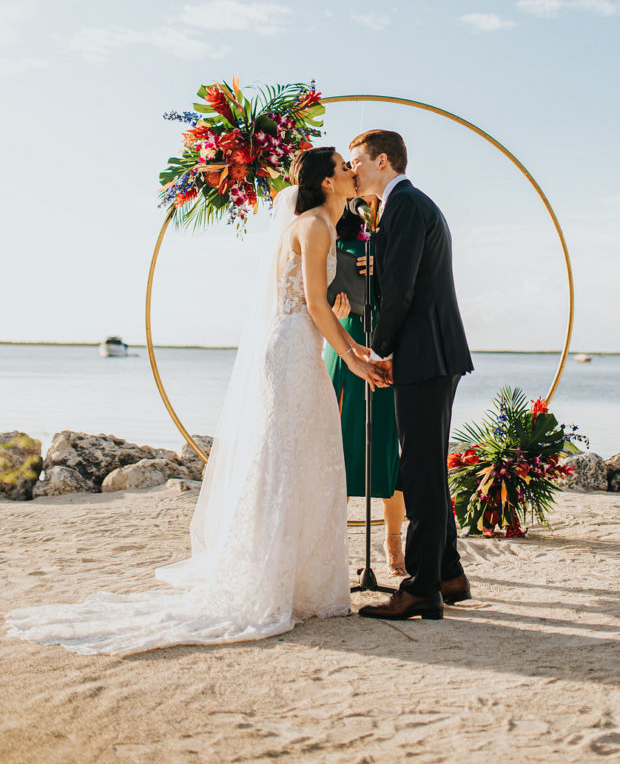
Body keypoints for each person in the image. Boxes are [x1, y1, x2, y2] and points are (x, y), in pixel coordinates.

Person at [5, 147, 387, 655]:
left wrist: (354, 346)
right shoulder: (315, 225)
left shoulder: (313, 222)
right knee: (291, 459)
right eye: (343, 167)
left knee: (297, 457)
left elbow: (313, 304)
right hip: (294, 351)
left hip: (295, 346)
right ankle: (277, 581)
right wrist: (355, 361)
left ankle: (295, 580)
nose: (350, 171)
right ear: (324, 182)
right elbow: (314, 305)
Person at [348, 129, 474, 621]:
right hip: (434, 351)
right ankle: (448, 571)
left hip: (423, 353)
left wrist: (381, 350)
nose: (353, 169)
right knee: (427, 467)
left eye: (357, 160)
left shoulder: (403, 206)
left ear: (382, 161)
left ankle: (421, 588)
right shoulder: (411, 204)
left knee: (420, 472)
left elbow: (399, 292)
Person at [323, 197, 406, 576]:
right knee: (334, 447)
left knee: (388, 449)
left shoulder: (392, 233)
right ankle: (329, 547)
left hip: (386, 344)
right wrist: (334, 307)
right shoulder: (331, 238)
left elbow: (411, 284)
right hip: (344, 340)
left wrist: (386, 267)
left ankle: (393, 541)